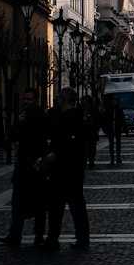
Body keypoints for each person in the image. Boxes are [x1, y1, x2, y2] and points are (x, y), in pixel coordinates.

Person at [0, 87, 49, 247]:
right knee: (17, 201)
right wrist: (18, 123)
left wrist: (43, 158)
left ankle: (39, 235)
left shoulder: (42, 117)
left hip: (37, 165)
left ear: (36, 100)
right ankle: (15, 234)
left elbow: (46, 139)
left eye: (29, 99)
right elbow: (11, 138)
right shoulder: (22, 117)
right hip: (22, 165)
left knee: (40, 203)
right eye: (25, 99)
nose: (26, 102)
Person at [42, 87, 90, 251]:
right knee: (63, 206)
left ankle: (75, 238)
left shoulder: (73, 119)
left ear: (64, 100)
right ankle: (56, 238)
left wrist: (56, 154)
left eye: (58, 98)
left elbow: (73, 144)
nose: (56, 100)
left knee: (70, 206)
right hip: (68, 170)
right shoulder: (66, 117)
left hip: (68, 169)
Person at [103, 95, 126, 165]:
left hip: (117, 128)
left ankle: (118, 157)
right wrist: (105, 129)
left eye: (116, 102)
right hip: (110, 128)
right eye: (113, 102)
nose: (114, 103)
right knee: (111, 144)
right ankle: (112, 158)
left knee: (118, 144)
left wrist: (123, 127)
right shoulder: (108, 110)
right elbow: (105, 120)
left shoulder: (119, 110)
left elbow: (122, 119)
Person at [80, 95, 101, 169]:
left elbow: (98, 120)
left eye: (85, 100)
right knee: (83, 148)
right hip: (82, 132)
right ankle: (84, 162)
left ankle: (91, 161)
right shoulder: (80, 110)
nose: (84, 102)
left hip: (91, 131)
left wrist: (94, 125)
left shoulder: (93, 110)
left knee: (92, 148)